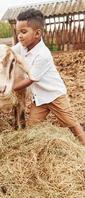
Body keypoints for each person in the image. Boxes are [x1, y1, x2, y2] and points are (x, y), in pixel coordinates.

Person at [12, 8, 85, 145]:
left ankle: (83, 145)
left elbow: (31, 78)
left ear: (37, 33)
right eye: (17, 33)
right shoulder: (21, 46)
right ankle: (37, 146)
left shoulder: (43, 54)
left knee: (71, 124)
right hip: (39, 99)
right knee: (33, 127)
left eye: (23, 32)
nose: (19, 36)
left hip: (55, 95)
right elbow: (8, 51)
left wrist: (12, 88)